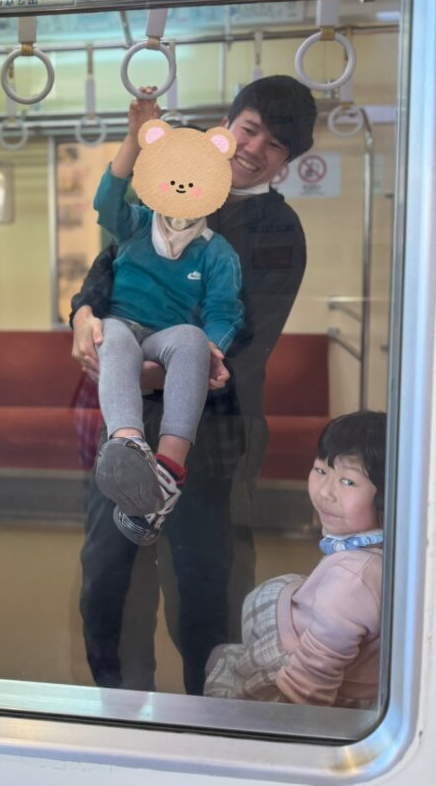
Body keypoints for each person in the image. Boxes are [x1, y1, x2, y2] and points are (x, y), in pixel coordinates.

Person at [73, 74, 317, 694]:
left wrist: (150, 366)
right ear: (227, 126)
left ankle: (210, 722)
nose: (255, 148)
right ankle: (121, 712)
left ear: (286, 162)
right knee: (109, 579)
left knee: (205, 589)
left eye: (276, 144)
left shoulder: (276, 230)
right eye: (251, 129)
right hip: (129, 422)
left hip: (215, 434)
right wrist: (83, 314)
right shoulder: (165, 191)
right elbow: (109, 266)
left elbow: (247, 336)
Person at [92, 99, 244, 546]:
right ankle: (129, 444)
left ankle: (167, 469)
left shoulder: (217, 251)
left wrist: (213, 350)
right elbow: (106, 200)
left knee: (195, 339)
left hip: (167, 336)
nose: (181, 182)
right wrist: (133, 137)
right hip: (124, 323)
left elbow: (223, 311)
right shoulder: (136, 224)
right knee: (113, 337)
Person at [204, 411, 385, 708]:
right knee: (220, 656)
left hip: (289, 669)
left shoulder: (354, 580)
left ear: (388, 496)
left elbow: (309, 685)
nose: (325, 492)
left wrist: (290, 719)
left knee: (218, 665)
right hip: (294, 641)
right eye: (321, 470)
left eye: (348, 481)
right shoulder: (375, 548)